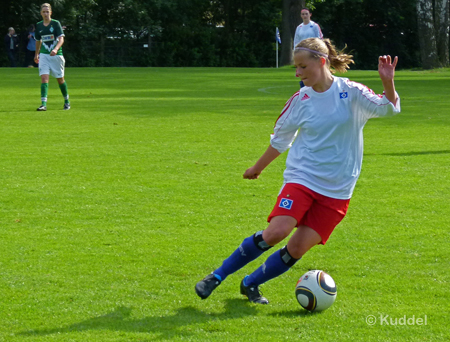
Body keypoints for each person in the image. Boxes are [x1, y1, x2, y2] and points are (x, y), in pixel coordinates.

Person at [195, 37, 400, 304]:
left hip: (338, 189)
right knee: (276, 232)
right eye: (296, 67)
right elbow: (280, 140)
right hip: (303, 177)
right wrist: (257, 168)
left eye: (302, 67)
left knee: (297, 248)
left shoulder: (351, 92)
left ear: (322, 62)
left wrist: (387, 82)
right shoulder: (300, 99)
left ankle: (250, 284)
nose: (297, 73)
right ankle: (216, 276)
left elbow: (387, 109)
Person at [34, 3, 70, 111]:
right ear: (41, 13)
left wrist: (55, 49)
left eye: (47, 11)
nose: (45, 14)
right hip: (44, 55)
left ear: (51, 12)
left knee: (60, 80)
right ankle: (43, 104)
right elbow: (38, 40)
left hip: (56, 56)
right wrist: (36, 54)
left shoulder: (55, 24)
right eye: (43, 12)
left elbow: (61, 39)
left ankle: (67, 101)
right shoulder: (39, 25)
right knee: (44, 78)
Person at [294, 8, 323, 88]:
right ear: (301, 16)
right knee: (302, 69)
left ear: (310, 14)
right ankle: (304, 87)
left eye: (306, 14)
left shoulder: (314, 26)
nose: (305, 16)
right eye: (303, 14)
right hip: (302, 53)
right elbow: (296, 41)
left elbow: (319, 38)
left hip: (312, 53)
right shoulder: (299, 27)